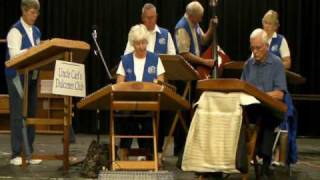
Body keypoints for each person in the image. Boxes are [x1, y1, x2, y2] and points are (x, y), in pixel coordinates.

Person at [241, 28, 287, 178]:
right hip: (252, 108)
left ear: (266, 46)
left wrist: (261, 96)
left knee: (267, 118)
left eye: (258, 48)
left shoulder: (276, 64)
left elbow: (280, 93)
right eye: (252, 48)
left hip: (271, 109)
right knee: (236, 118)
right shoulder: (248, 64)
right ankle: (239, 160)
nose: (255, 51)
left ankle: (265, 161)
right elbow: (242, 88)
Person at [116, 24, 165, 160]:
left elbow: (161, 83)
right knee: (127, 119)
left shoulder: (155, 59)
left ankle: (149, 154)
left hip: (149, 104)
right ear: (133, 44)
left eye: (143, 43)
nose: (141, 47)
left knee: (148, 122)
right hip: (129, 105)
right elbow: (119, 85)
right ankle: (124, 153)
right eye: (138, 44)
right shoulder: (125, 60)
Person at [5, 0, 42, 166]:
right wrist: (32, 50)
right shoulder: (15, 31)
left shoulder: (36, 31)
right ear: (24, 11)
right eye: (32, 12)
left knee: (31, 113)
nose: (35, 16)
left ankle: (29, 152)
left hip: (32, 77)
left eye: (36, 13)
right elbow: (13, 56)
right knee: (18, 114)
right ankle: (16, 153)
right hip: (16, 77)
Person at [174, 1, 216, 69]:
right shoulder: (182, 28)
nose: (201, 20)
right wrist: (204, 61)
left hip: (195, 67)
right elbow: (184, 54)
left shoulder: (195, 23)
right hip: (186, 70)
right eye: (199, 17)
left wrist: (211, 28)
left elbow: (204, 40)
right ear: (190, 16)